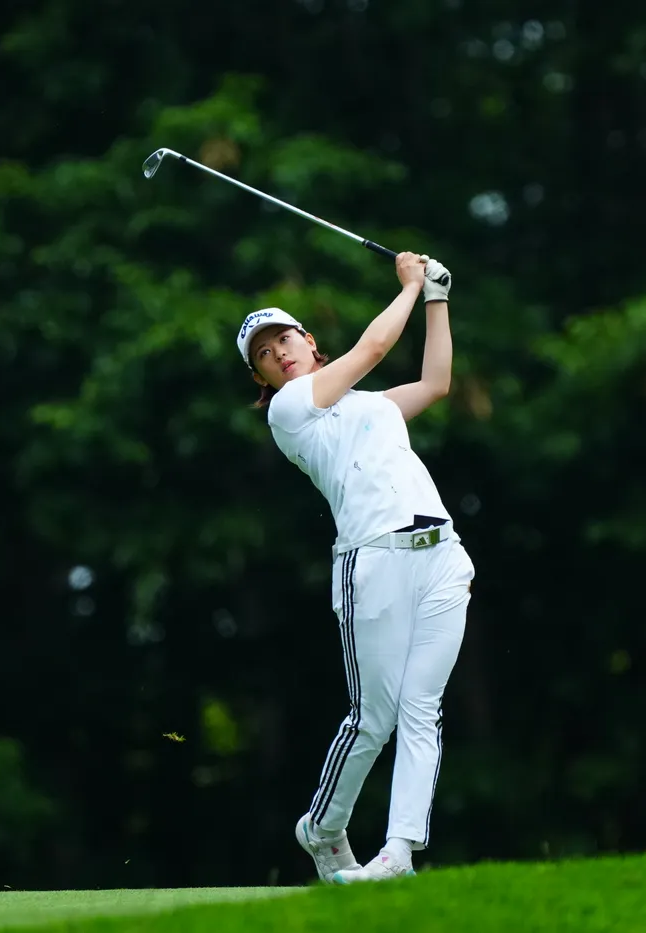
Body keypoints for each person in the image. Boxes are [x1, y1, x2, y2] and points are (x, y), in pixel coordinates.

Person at [234, 251, 475, 885]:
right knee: (374, 716)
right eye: (265, 354)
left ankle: (398, 854)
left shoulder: (373, 406)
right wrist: (410, 286)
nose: (279, 354)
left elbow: (436, 383)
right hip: (373, 560)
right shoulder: (290, 412)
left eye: (285, 339)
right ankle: (321, 826)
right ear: (262, 376)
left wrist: (437, 299)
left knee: (422, 709)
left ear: (309, 341)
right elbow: (372, 347)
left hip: (442, 556)